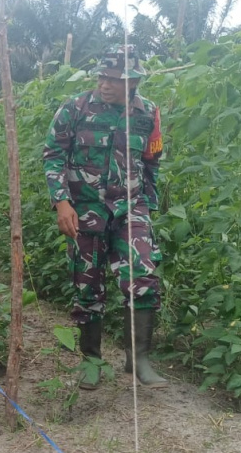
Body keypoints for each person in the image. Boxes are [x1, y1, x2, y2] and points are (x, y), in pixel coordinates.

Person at [42, 45, 168, 389]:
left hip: (131, 208)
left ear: (133, 81)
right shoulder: (76, 108)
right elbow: (53, 155)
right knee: (88, 285)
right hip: (85, 210)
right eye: (102, 76)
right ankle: (91, 360)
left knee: (143, 275)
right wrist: (61, 202)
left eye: (113, 79)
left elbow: (152, 162)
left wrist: (148, 207)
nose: (105, 84)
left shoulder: (148, 113)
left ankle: (138, 359)